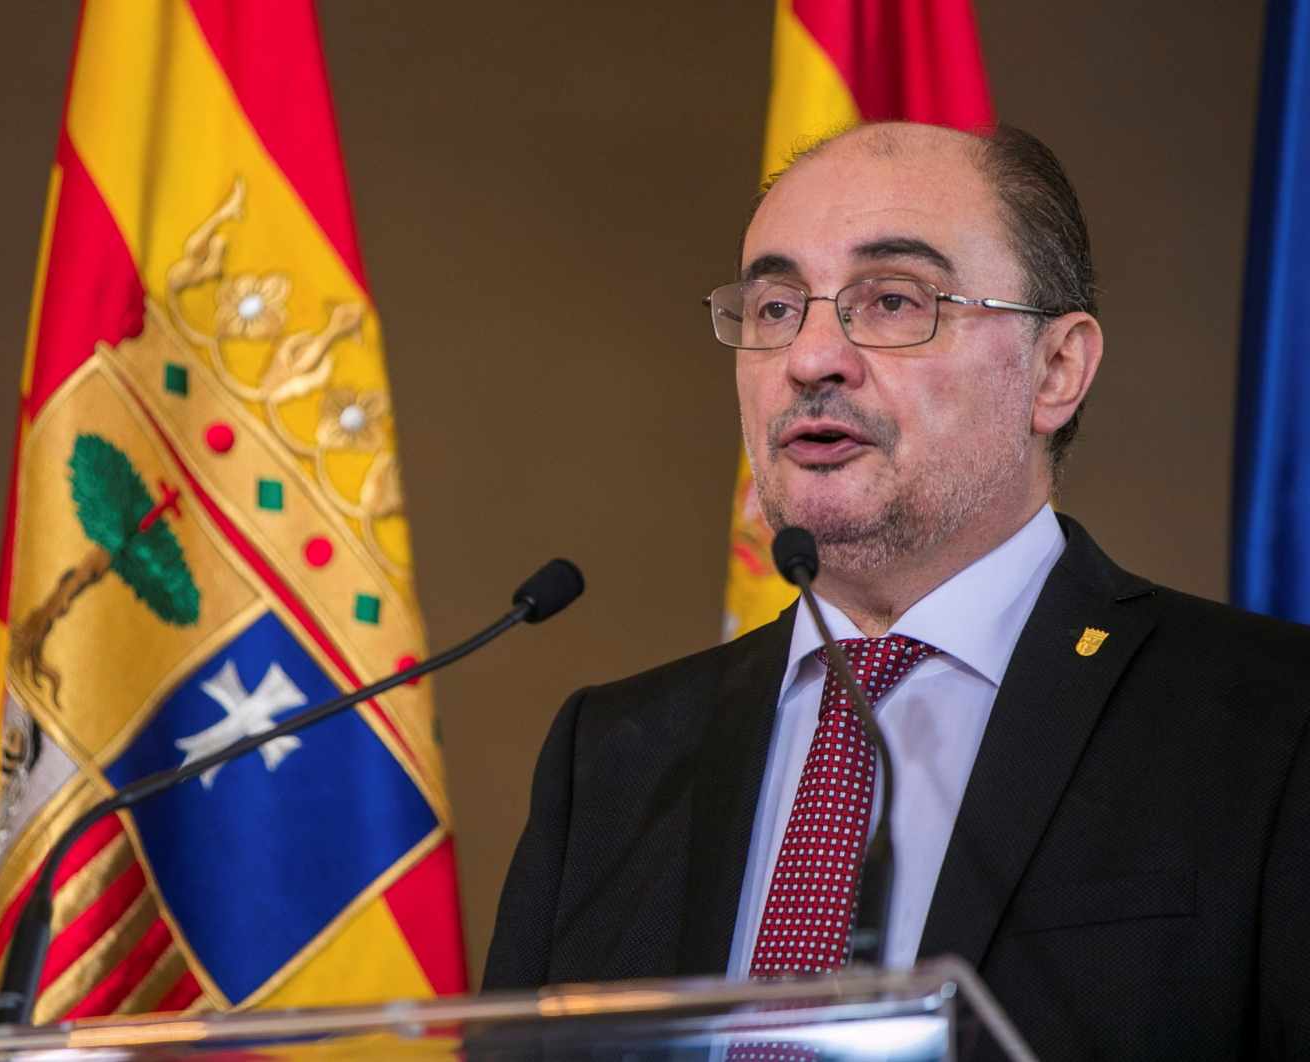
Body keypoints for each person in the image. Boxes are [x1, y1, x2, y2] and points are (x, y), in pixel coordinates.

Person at [482, 122, 1310, 1060]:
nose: (810, 358)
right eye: (774, 308)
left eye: (891, 301)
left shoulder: (1270, 721)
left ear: (1057, 369)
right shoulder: (616, 755)